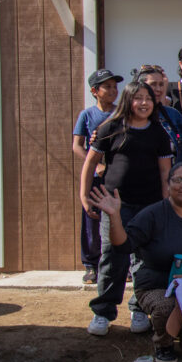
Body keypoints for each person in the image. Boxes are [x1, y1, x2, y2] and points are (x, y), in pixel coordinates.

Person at [88, 161, 182, 362]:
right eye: (178, 180)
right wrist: (114, 218)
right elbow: (123, 245)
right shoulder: (153, 214)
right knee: (166, 307)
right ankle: (163, 344)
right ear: (168, 184)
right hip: (159, 285)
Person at [79, 80, 172, 337]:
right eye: (138, 97)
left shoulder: (158, 133)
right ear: (128, 100)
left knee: (142, 260)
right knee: (112, 258)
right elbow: (90, 163)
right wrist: (84, 196)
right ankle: (103, 311)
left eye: (148, 98)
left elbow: (165, 172)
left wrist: (165, 205)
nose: (144, 103)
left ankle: (139, 308)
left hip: (149, 205)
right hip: (114, 206)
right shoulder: (110, 128)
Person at [73, 68, 122, 284]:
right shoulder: (87, 115)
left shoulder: (121, 112)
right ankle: (91, 265)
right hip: (95, 177)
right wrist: (95, 166)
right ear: (95, 91)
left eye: (114, 86)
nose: (113, 91)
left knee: (116, 218)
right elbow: (77, 146)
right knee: (92, 218)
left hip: (117, 176)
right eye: (107, 87)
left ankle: (120, 263)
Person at [136, 64, 182, 163]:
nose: (158, 89)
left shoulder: (174, 116)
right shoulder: (128, 116)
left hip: (173, 175)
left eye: (161, 84)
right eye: (153, 84)